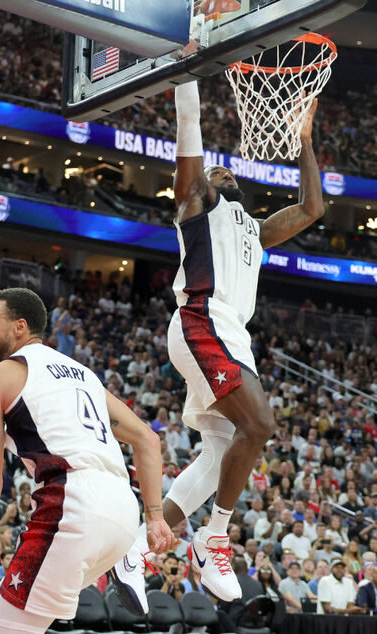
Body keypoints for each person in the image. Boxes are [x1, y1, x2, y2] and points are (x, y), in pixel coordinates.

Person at [113, 80, 326, 610]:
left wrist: (303, 140)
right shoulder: (197, 206)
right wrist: (188, 79)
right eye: (214, 170)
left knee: (222, 451)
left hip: (232, 334)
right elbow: (190, 137)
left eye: (228, 172)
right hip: (202, 319)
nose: (221, 171)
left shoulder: (253, 226)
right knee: (261, 426)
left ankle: (137, 548)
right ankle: (214, 540)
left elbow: (312, 208)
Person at [0, 288, 175, 634]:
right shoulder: (84, 375)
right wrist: (156, 517)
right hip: (124, 513)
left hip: (73, 504)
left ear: (20, 327)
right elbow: (148, 439)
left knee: (8, 627)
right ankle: (128, 557)